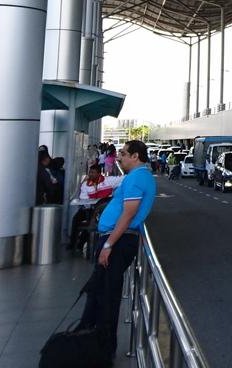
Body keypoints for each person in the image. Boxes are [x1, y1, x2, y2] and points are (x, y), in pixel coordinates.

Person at [82, 140, 156, 357]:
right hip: (118, 239)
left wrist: (108, 244)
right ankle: (95, 344)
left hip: (118, 241)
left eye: (123, 153)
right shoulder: (138, 177)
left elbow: (129, 214)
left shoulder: (137, 178)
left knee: (105, 296)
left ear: (135, 156)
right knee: (100, 292)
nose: (118, 158)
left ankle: (102, 350)